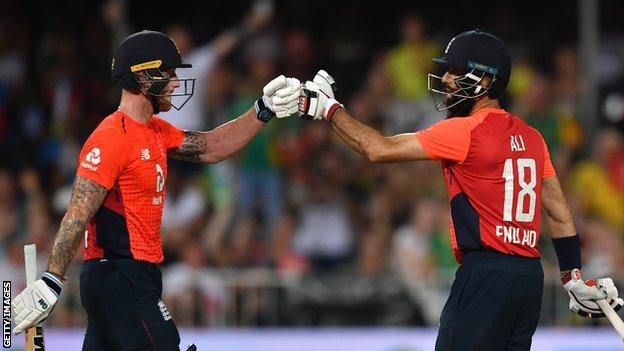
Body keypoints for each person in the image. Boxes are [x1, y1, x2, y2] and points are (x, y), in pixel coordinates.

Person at [297, 29, 624, 350]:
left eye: (456, 71)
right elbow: (558, 212)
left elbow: (379, 150)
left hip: (485, 275)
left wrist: (330, 110)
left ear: (483, 82)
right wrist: (571, 277)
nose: (448, 80)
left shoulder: (463, 131)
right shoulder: (532, 137)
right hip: (528, 278)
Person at [11, 30, 300, 350]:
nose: (176, 83)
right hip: (121, 278)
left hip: (127, 279)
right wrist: (52, 278)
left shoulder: (156, 132)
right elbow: (78, 212)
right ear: (143, 76)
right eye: (169, 73)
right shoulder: (112, 138)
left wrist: (263, 109)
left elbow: (212, 146)